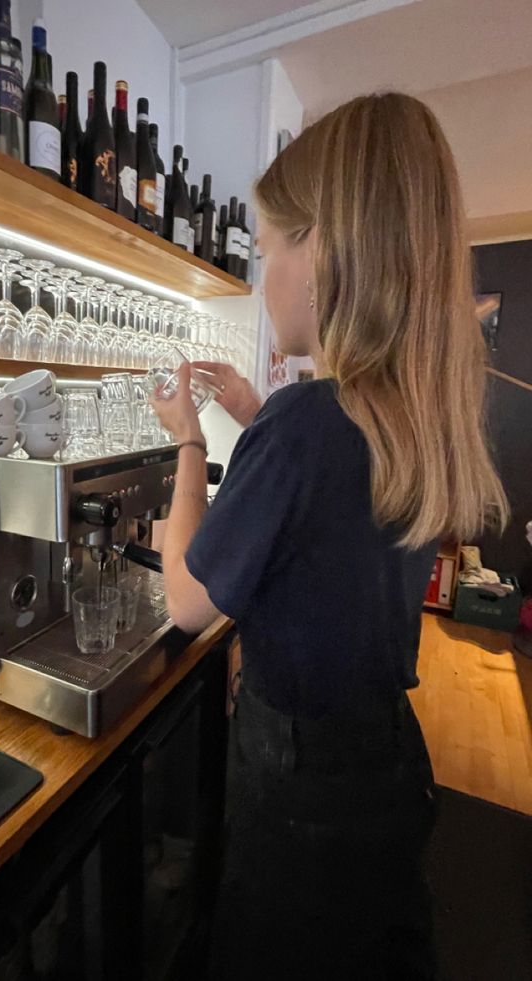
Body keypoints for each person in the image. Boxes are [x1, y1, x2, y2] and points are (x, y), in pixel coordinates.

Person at [151, 92, 508, 980]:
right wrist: (255, 412)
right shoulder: (406, 411)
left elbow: (187, 598)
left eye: (267, 248)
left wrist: (189, 440)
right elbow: (328, 531)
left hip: (300, 794)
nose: (261, 273)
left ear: (323, 250)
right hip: (383, 767)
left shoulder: (308, 421)